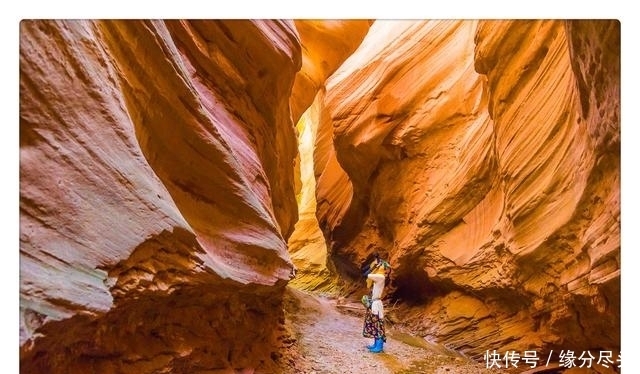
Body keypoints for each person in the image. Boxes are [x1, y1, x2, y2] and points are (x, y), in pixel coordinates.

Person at [362, 253, 391, 353]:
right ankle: (376, 344)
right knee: (375, 323)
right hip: (375, 303)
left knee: (378, 324)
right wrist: (376, 265)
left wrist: (374, 266)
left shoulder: (380, 277)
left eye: (380, 265)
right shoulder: (380, 277)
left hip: (377, 304)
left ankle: (379, 347)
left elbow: (366, 274)